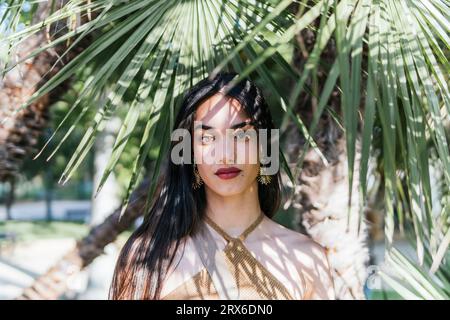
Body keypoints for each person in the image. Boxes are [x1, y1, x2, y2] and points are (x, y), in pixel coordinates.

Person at [109, 72, 336, 300]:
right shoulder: (149, 256)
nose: (226, 155)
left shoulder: (306, 259)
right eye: (206, 138)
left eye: (241, 135)